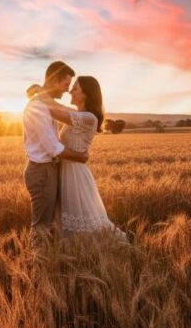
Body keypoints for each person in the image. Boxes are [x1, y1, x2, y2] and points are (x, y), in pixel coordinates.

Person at [32, 76, 128, 241]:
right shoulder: (78, 114)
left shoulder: (90, 118)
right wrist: (42, 94)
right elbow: (58, 106)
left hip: (75, 176)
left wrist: (41, 92)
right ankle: (80, 256)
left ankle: (99, 255)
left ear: (86, 94)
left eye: (75, 88)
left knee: (82, 224)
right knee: (69, 224)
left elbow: (53, 110)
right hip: (65, 172)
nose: (70, 91)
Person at [22, 61, 89, 244]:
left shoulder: (47, 105)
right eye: (65, 84)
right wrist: (81, 157)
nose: (67, 90)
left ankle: (46, 263)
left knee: (50, 224)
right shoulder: (37, 107)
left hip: (48, 170)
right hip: (42, 171)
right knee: (41, 226)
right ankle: (37, 268)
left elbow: (72, 115)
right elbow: (53, 148)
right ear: (53, 81)